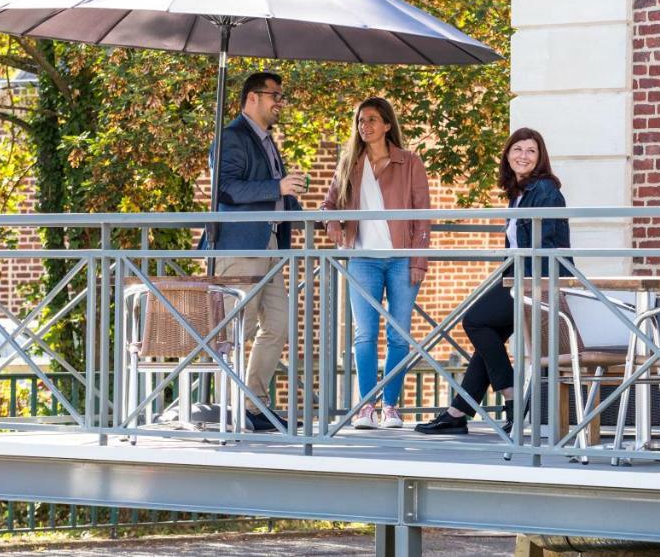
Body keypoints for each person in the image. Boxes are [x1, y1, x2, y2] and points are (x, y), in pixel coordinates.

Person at [415, 127, 570, 436]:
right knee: (489, 337)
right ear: (508, 154)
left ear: (540, 158)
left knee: (474, 321)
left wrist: (528, 283)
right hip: (518, 278)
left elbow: (548, 243)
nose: (523, 156)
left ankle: (511, 398)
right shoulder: (519, 194)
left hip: (537, 280)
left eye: (530, 151)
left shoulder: (545, 190)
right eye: (517, 150)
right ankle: (458, 411)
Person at [322, 97, 431, 430]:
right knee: (364, 334)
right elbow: (328, 207)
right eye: (360, 121)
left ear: (386, 124)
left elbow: (423, 218)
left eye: (371, 120)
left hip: (401, 260)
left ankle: (390, 406)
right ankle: (366, 407)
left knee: (399, 335)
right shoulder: (349, 164)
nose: (364, 126)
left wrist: (418, 261)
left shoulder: (409, 163)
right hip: (363, 260)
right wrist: (334, 225)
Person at [213, 71, 306, 432]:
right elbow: (225, 189)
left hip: (270, 246)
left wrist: (303, 211)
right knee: (239, 328)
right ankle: (229, 407)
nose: (280, 102)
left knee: (278, 325)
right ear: (252, 97)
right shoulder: (232, 137)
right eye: (275, 95)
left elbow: (275, 193)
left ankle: (252, 404)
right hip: (239, 245)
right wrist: (277, 185)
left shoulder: (268, 141)